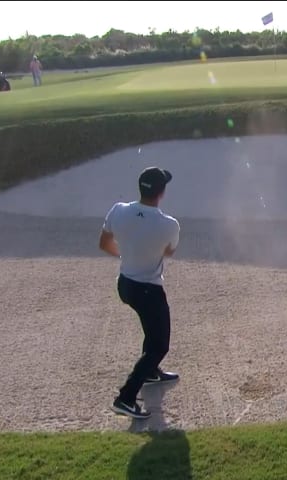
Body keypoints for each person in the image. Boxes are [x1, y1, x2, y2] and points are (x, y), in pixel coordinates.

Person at [101, 166, 181, 419]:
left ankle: (150, 371)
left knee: (151, 329)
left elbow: (104, 243)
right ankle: (125, 398)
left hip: (125, 284)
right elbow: (169, 252)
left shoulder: (118, 210)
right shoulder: (169, 225)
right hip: (149, 290)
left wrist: (128, 254)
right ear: (162, 193)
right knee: (159, 345)